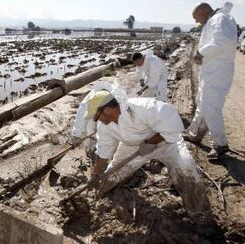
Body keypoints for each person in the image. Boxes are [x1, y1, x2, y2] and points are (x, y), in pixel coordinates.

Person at [79, 89, 210, 220]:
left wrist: (151, 142)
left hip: (166, 141)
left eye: (96, 117)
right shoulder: (104, 126)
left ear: (107, 110)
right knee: (113, 174)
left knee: (186, 168)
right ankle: (100, 198)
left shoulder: (141, 107)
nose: (97, 121)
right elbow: (104, 149)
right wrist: (95, 174)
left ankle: (199, 213)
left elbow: (172, 120)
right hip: (132, 146)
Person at [184, 2, 237, 159]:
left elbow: (223, 41)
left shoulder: (220, 19)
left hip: (218, 72)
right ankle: (194, 133)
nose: (195, 21)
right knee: (202, 102)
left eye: (196, 17)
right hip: (212, 71)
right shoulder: (214, 20)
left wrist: (201, 52)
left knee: (211, 107)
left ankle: (220, 144)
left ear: (202, 11)